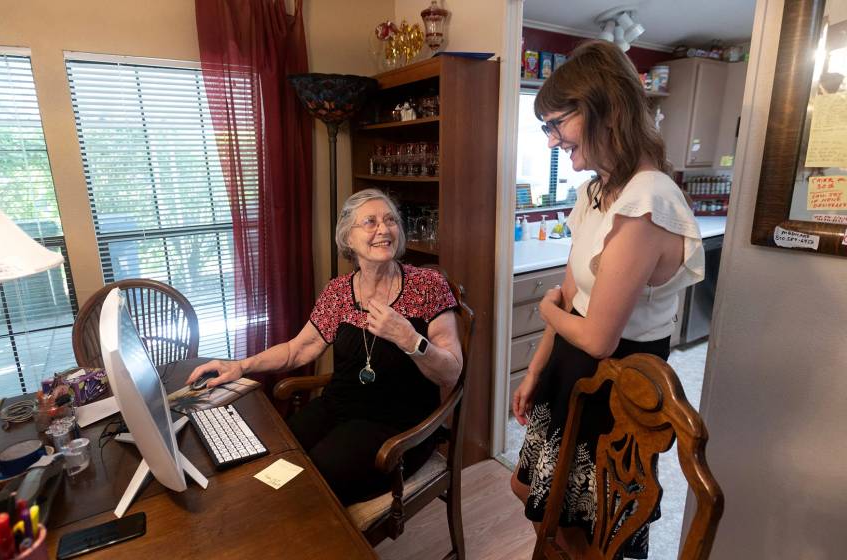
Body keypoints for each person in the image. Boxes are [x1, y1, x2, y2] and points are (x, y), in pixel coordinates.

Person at [510, 40, 704, 558]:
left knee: (588, 534)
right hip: (572, 373)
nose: (552, 141)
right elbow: (572, 291)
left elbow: (596, 334)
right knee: (532, 495)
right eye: (546, 128)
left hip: (617, 388)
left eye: (557, 124)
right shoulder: (599, 192)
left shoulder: (649, 200)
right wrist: (536, 369)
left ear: (605, 107)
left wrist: (547, 309)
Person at [187, 188, 463, 505]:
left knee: (313, 480)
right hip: (337, 407)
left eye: (390, 221)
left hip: (398, 424)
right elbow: (298, 349)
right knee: (277, 457)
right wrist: (239, 366)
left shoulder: (427, 285)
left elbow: (451, 373)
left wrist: (410, 339)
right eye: (370, 222)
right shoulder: (338, 292)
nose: (383, 229)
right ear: (348, 238)